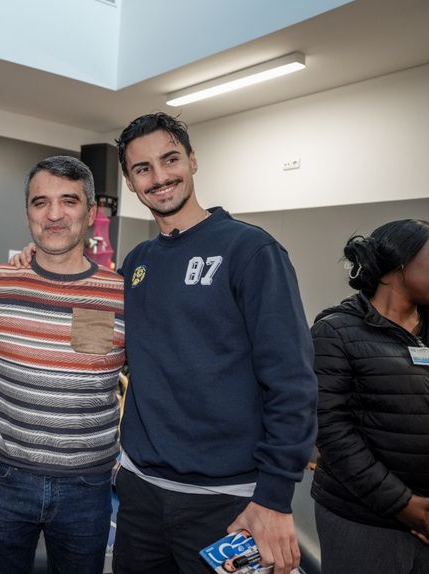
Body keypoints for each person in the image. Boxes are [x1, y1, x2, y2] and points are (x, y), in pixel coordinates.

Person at [112, 113, 316, 574]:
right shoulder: (137, 262)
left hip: (230, 502)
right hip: (142, 493)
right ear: (130, 181)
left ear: (193, 161)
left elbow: (293, 383)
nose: (160, 177)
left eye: (170, 159)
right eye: (142, 169)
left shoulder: (250, 251)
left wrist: (275, 498)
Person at [0, 155, 126, 573]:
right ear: (27, 212)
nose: (55, 214)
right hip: (4, 477)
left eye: (69, 201)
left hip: (87, 485)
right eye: (40, 202)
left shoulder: (121, 294)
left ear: (91, 211)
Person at [310, 219, 429, 574]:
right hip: (364, 520)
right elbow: (331, 430)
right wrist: (402, 503)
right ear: (398, 265)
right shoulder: (334, 332)